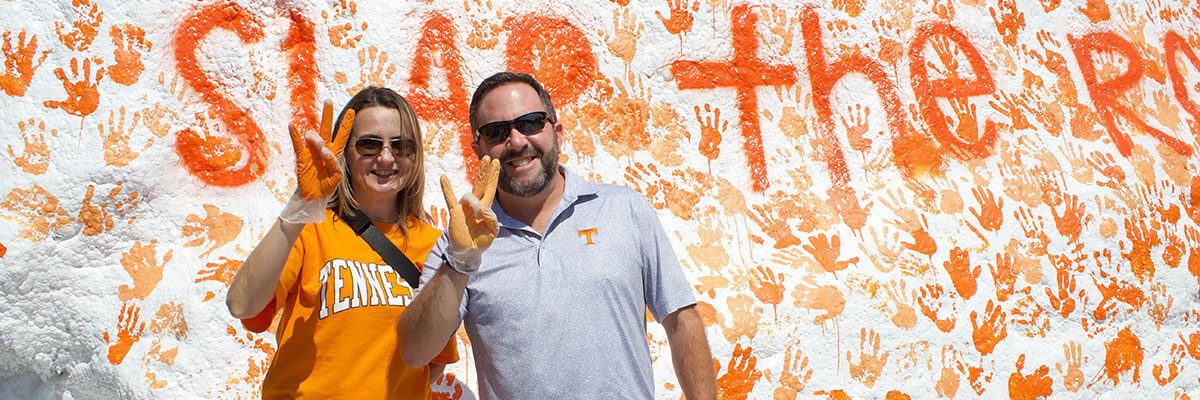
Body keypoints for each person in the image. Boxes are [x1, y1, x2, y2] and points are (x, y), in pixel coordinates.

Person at [396, 72, 717, 399]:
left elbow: (681, 321)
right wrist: (460, 260)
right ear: (477, 149)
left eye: (531, 122)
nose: (518, 141)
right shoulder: (458, 243)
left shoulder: (624, 210)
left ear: (557, 131)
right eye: (496, 132)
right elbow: (416, 352)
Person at [226, 87, 457, 399]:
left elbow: (433, 362)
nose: (386, 157)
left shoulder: (434, 245)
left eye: (401, 146)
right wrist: (299, 206)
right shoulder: (311, 229)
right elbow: (242, 305)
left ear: (415, 156)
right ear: (345, 152)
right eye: (369, 144)